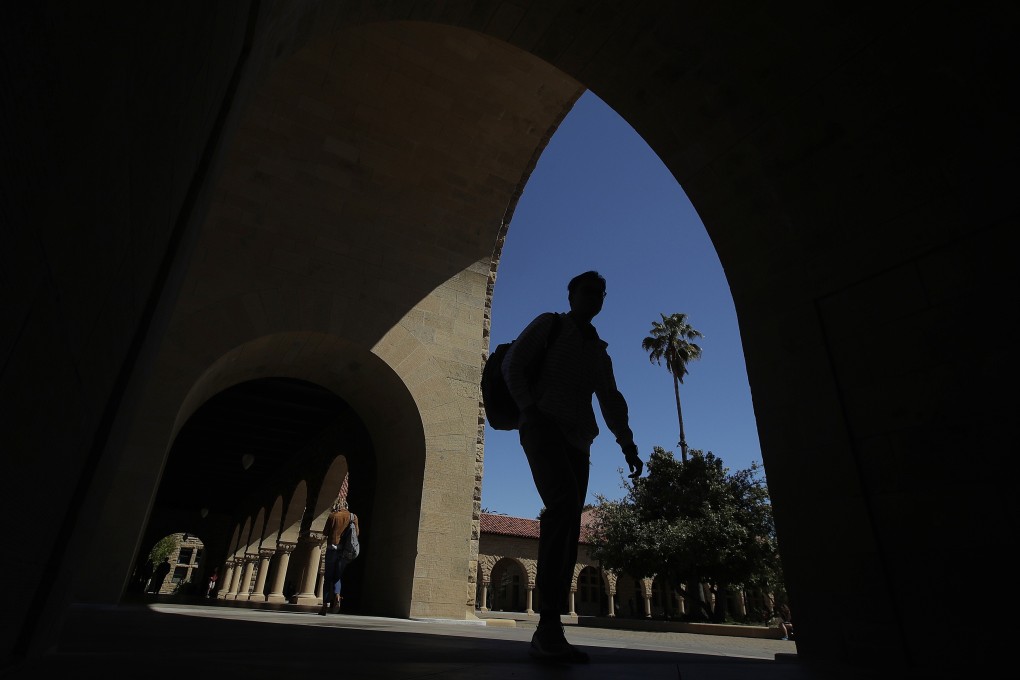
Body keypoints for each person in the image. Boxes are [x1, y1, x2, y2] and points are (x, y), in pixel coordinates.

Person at [503, 270, 643, 663]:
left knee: (568, 526)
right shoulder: (550, 325)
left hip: (579, 441)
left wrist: (627, 444)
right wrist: (529, 410)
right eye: (587, 291)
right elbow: (513, 363)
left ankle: (553, 627)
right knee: (563, 507)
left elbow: (611, 401)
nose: (595, 297)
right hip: (543, 428)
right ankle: (547, 625)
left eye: (601, 293)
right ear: (571, 295)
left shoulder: (599, 352)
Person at [319, 497, 359, 615]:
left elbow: (325, 532)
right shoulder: (353, 517)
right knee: (337, 576)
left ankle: (325, 605)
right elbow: (356, 533)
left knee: (328, 578)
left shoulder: (333, 516)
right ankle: (337, 595)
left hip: (332, 549)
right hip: (345, 552)